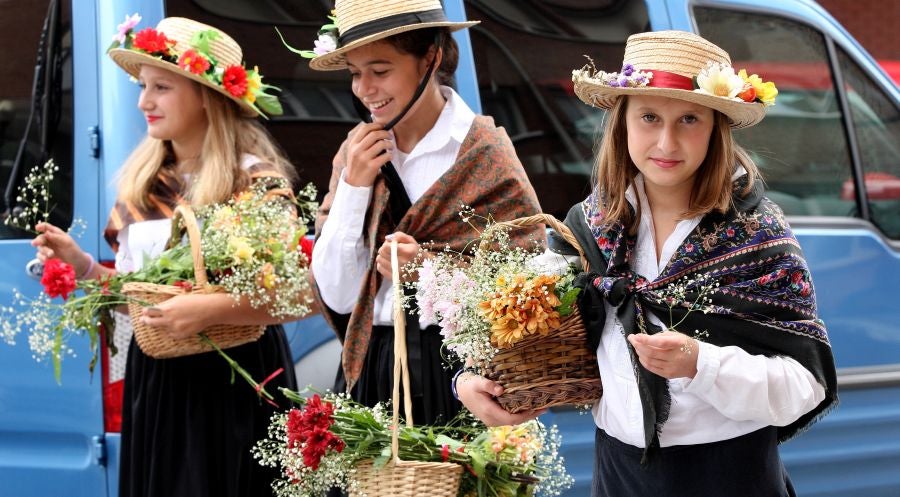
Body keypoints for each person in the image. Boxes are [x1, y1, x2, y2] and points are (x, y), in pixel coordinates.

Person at [456, 31, 838, 496]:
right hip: (620, 474)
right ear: (622, 124)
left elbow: (804, 385)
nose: (666, 142)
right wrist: (470, 380)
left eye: (689, 119)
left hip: (730, 475)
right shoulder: (590, 228)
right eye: (649, 117)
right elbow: (521, 325)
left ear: (716, 128)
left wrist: (701, 363)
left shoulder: (758, 236)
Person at [32, 16, 299, 497]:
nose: (144, 102)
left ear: (206, 96)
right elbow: (138, 303)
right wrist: (83, 266)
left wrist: (210, 310)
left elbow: (293, 296)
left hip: (235, 376)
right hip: (158, 380)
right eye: (142, 86)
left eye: (161, 87)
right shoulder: (141, 188)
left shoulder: (255, 183)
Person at [306, 0, 543, 426]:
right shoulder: (355, 153)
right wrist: (354, 186)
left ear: (431, 58)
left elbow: (527, 294)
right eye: (355, 73)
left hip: (464, 369)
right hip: (374, 363)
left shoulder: (481, 152)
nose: (364, 89)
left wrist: (429, 271)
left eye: (380, 71)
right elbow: (338, 296)